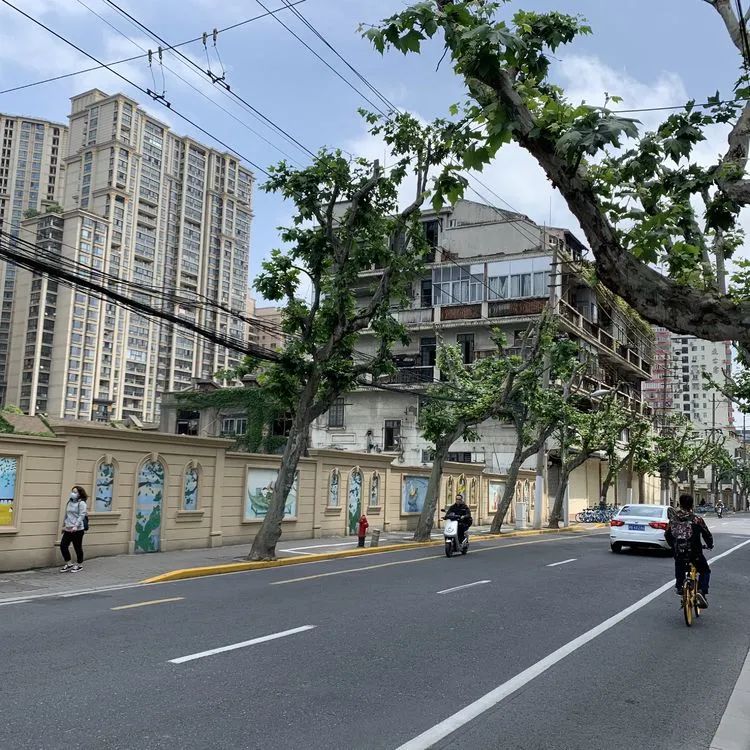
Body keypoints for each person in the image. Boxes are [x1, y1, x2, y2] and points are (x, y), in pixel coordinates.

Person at [665, 493, 713, 608]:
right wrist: (710, 545)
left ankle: (680, 586)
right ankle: (701, 591)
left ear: (680, 504)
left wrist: (674, 546)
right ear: (692, 504)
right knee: (705, 571)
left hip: (679, 551)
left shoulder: (673, 519)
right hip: (695, 552)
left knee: (679, 564)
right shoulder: (697, 519)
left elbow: (667, 534)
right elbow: (707, 534)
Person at [60, 485, 88, 573]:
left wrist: (76, 525)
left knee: (77, 547)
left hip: (78, 529)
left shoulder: (81, 503)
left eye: (75, 492)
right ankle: (69, 564)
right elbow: (66, 514)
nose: (73, 493)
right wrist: (64, 525)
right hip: (68, 528)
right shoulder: (69, 502)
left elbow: (82, 515)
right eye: (72, 491)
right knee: (63, 546)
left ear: (80, 494)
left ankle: (79, 565)